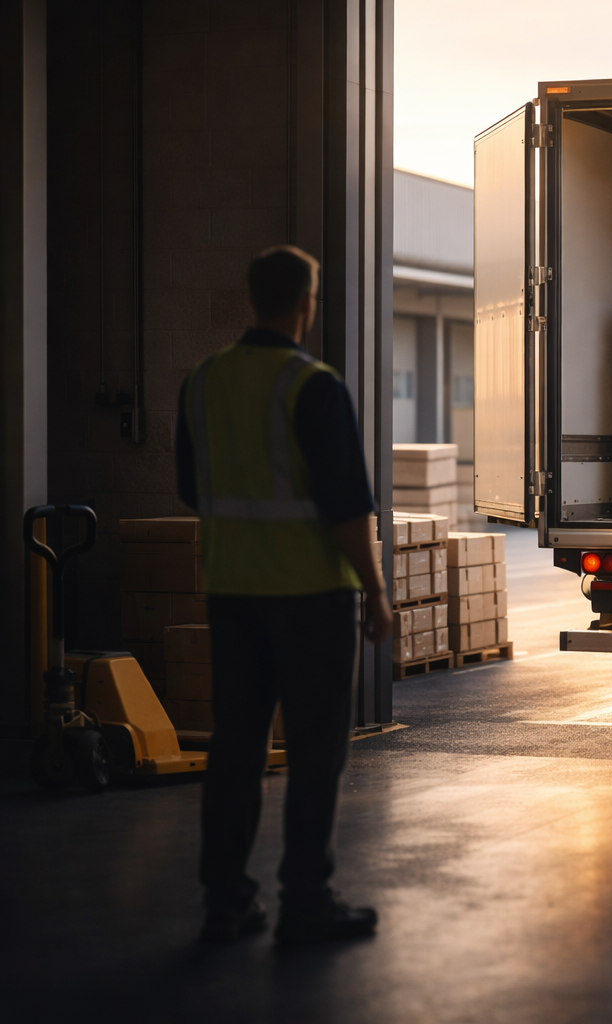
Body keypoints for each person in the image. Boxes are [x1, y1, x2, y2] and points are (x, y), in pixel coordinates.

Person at [176, 245, 392, 944]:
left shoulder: (203, 382)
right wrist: (378, 594)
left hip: (232, 594)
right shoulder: (312, 385)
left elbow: (191, 487)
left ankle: (227, 903)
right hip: (309, 599)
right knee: (315, 753)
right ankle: (305, 901)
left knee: (234, 751)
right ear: (306, 302)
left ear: (251, 300)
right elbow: (347, 507)